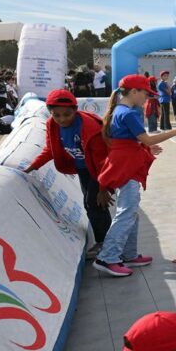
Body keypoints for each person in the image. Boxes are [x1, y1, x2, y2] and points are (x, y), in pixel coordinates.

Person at [95, 75, 176, 277]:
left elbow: (132, 141)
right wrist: (174, 132)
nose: (147, 97)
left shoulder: (120, 111)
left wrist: (146, 148)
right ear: (134, 91)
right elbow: (146, 138)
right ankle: (108, 257)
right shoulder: (128, 113)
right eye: (145, 93)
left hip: (125, 162)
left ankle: (128, 254)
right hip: (127, 167)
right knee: (126, 213)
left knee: (131, 212)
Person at [24, 89, 113, 256]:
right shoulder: (52, 124)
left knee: (95, 203)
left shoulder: (90, 127)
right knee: (90, 204)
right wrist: (31, 167)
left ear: (75, 109)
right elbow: (50, 149)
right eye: (56, 115)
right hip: (83, 169)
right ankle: (107, 241)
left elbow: (103, 162)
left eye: (67, 114)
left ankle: (108, 245)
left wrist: (103, 188)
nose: (62, 119)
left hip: (99, 170)